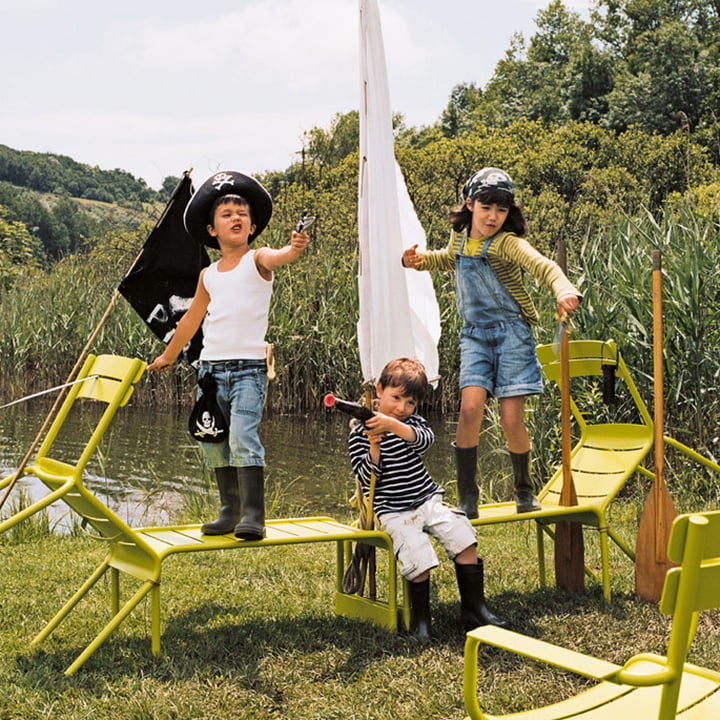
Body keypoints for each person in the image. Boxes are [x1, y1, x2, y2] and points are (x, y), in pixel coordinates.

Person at [402, 168, 581, 518]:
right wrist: (420, 261)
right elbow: (448, 260)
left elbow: (544, 267)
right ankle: (468, 496)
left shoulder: (508, 243)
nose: (493, 216)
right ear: (470, 204)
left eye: (501, 210)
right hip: (475, 335)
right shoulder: (459, 238)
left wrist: (564, 289)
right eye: (486, 207)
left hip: (512, 333)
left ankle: (524, 490)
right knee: (470, 409)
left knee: (512, 419)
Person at [148, 170, 310, 540]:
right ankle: (229, 511)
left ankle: (254, 515)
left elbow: (282, 255)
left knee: (242, 437)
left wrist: (296, 248)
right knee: (215, 438)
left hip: (249, 370)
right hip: (209, 371)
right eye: (226, 214)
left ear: (252, 227)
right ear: (211, 230)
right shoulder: (208, 275)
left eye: (242, 213)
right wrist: (169, 356)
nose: (236, 217)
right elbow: (190, 321)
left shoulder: (259, 260)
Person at [348, 357, 508, 639]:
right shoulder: (359, 433)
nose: (401, 408)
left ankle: (474, 609)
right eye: (396, 398)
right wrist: (374, 446)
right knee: (417, 556)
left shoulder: (411, 423)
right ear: (379, 389)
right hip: (393, 510)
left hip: (426, 499)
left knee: (463, 537)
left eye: (409, 403)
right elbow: (366, 476)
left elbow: (424, 441)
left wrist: (392, 425)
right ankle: (421, 623)